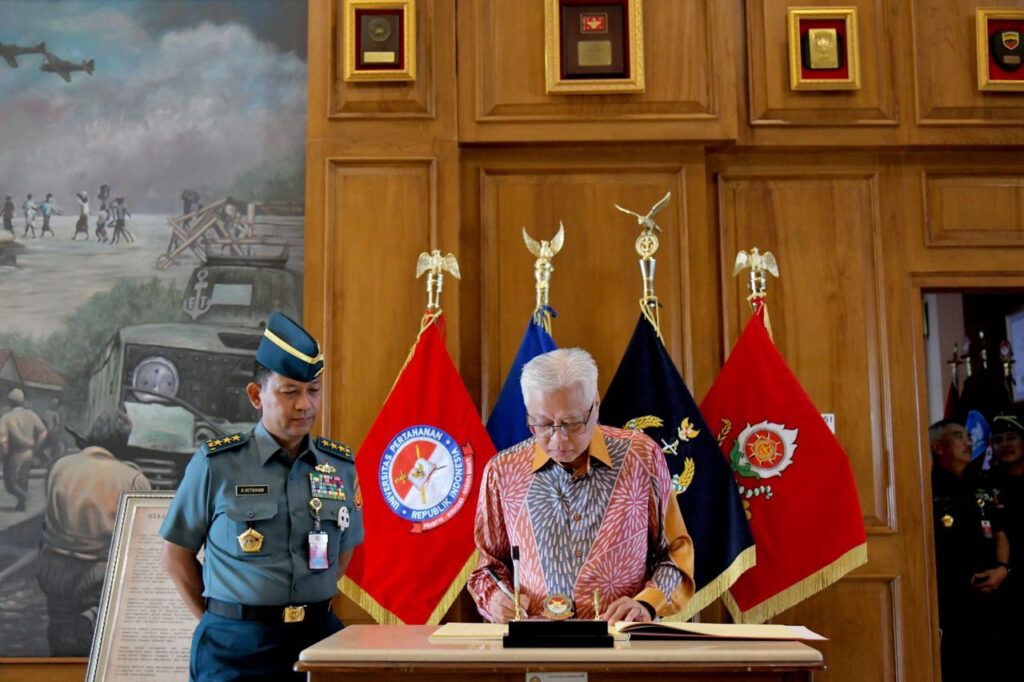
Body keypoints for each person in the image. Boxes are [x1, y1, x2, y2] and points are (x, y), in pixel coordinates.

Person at [161, 312, 363, 681]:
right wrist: (221, 619)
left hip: (317, 639)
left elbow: (344, 549)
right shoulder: (216, 465)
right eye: (290, 392)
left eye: (314, 390)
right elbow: (177, 557)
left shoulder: (339, 466)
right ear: (257, 395)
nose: (306, 405)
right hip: (234, 647)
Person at [469, 348, 694, 623]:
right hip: (535, 645)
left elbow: (675, 554)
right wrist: (494, 598)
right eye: (542, 424)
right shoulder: (502, 472)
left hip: (623, 644)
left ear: (595, 405)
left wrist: (647, 605)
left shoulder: (641, 457)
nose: (558, 439)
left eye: (572, 423)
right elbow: (488, 569)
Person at [37, 409, 151, 655]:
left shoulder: (60, 466)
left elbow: (48, 518)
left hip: (52, 568)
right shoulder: (133, 478)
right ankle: (92, 617)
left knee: (59, 632)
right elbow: (139, 541)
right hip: (96, 578)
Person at [930, 417, 1008, 681]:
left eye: (967, 436)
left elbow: (1000, 532)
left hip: (992, 593)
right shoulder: (926, 486)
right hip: (951, 601)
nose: (968, 441)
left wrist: (1002, 568)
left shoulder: (982, 482)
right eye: (958, 436)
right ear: (939, 447)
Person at [0, 387, 47, 511]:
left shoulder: (6, 418)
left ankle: (24, 497)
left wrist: (5, 455)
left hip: (14, 453)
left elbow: (3, 440)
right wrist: (36, 448)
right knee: (23, 479)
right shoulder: (31, 415)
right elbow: (43, 432)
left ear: (11, 402)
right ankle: (21, 505)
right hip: (29, 452)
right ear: (22, 401)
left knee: (10, 484)